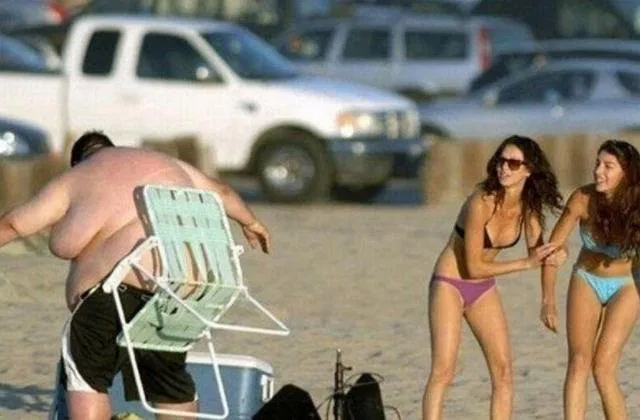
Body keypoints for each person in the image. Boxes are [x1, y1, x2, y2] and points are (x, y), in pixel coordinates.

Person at [0, 131, 272, 420]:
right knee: (168, 382)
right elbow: (223, 192)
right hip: (183, 294)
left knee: (87, 376)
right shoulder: (167, 163)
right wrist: (251, 222)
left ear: (78, 161)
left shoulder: (78, 176)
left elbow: (15, 224)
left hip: (118, 295)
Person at [422, 135, 565, 420]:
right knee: (444, 370)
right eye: (501, 161)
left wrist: (548, 299)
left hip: (482, 289)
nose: (504, 168)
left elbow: (543, 255)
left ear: (528, 170)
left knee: (504, 372)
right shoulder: (481, 202)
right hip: (450, 283)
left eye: (513, 163)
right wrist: (525, 263)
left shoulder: (528, 208)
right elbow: (473, 267)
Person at [540, 139, 640, 420]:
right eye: (597, 163)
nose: (598, 171)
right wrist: (548, 300)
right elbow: (552, 250)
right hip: (587, 279)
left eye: (608, 166)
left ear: (627, 173)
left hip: (626, 285)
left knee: (604, 368)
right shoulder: (582, 199)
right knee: (579, 362)